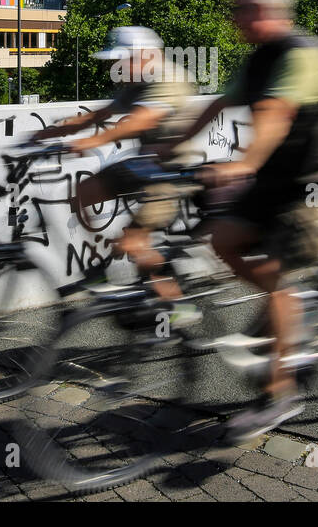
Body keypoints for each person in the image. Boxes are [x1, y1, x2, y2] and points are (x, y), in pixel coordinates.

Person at [157, 0, 318, 441]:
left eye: (239, 7)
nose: (232, 15)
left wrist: (242, 163)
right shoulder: (257, 59)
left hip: (314, 189)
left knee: (275, 279)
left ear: (265, 11)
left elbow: (276, 112)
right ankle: (287, 310)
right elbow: (221, 105)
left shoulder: (305, 54)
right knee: (222, 238)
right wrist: (174, 145)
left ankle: (280, 394)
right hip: (271, 185)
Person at [32, 26, 201, 328]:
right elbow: (99, 115)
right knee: (84, 191)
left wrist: (90, 142)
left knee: (132, 244)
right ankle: (103, 267)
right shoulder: (135, 81)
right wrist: (48, 133)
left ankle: (179, 306)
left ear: (147, 56)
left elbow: (139, 121)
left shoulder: (169, 78)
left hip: (170, 174)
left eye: (125, 59)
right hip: (142, 166)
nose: (117, 66)